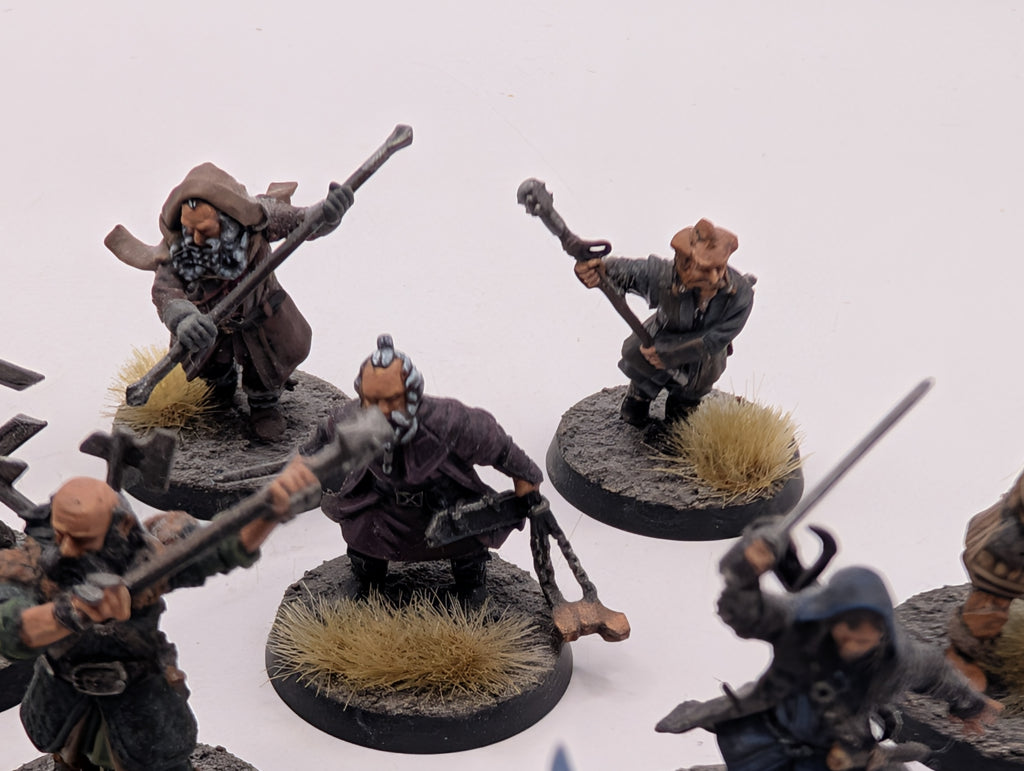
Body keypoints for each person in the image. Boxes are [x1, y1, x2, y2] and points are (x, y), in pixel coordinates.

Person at [0, 464, 315, 771]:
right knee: (68, 759)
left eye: (82, 539)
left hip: (138, 698)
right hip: (62, 693)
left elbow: (220, 547)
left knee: (160, 761)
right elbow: (11, 629)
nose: (68, 549)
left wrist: (269, 510)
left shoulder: (146, 556)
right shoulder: (35, 563)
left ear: (119, 530)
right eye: (61, 534)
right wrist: (69, 612)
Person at [656, 525, 999, 771]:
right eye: (848, 632)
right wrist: (747, 566)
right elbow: (742, 613)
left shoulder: (898, 660)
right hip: (775, 725)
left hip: (840, 744)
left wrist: (968, 705)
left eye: (866, 636)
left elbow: (938, 675)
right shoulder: (799, 626)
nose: (855, 643)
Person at [106, 163, 353, 440]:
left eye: (205, 231)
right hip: (210, 329)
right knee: (212, 370)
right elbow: (165, 291)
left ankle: (264, 407)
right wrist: (184, 318)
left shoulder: (258, 220)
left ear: (229, 220)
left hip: (262, 320)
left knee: (265, 370)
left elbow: (304, 221)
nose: (195, 239)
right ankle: (219, 391)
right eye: (189, 230)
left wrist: (328, 214)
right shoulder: (180, 252)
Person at [301, 334, 543, 604]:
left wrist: (526, 479)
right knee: (363, 539)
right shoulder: (352, 418)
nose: (380, 412)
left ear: (411, 393)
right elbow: (324, 433)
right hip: (381, 507)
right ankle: (366, 582)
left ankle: (471, 588)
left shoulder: (450, 421)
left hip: (445, 505)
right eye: (371, 400)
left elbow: (498, 445)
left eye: (391, 400)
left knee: (469, 545)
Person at [574, 218, 754, 425]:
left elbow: (717, 338)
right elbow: (631, 271)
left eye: (719, 268)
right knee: (641, 384)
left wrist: (672, 353)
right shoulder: (663, 276)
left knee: (688, 400)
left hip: (702, 356)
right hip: (658, 340)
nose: (714, 278)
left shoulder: (741, 295)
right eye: (704, 269)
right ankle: (638, 399)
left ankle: (681, 410)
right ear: (684, 263)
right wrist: (601, 270)